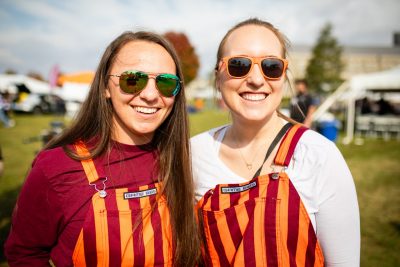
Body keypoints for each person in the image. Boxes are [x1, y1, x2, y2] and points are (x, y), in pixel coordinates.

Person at [5, 30, 201, 266]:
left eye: (166, 83)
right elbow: (25, 254)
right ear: (105, 87)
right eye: (133, 80)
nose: (151, 95)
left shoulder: (179, 158)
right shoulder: (56, 167)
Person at [191, 18, 360, 266]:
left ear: (283, 76)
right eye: (239, 65)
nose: (257, 80)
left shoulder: (318, 155)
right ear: (218, 77)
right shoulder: (193, 152)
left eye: (271, 66)